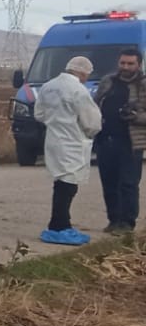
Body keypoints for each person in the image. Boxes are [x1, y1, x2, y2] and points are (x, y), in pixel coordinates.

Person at [34, 55, 102, 245]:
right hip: (73, 141)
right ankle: (59, 226)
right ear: (83, 72)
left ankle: (61, 223)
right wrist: (90, 133)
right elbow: (92, 120)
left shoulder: (48, 86)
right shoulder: (78, 90)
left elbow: (39, 114)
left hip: (54, 139)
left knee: (61, 181)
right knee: (68, 185)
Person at [95, 46, 144, 233]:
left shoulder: (143, 84)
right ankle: (113, 220)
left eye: (130, 63)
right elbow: (95, 104)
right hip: (105, 140)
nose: (125, 66)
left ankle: (127, 223)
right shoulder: (108, 81)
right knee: (109, 183)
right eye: (122, 62)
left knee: (128, 184)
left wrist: (135, 116)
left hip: (131, 143)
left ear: (138, 65)